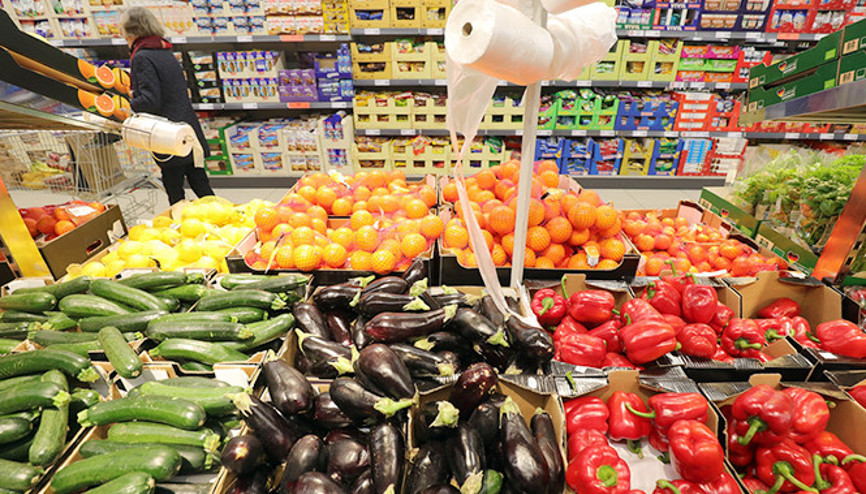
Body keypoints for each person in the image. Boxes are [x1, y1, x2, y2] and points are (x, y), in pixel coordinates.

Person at [120, 7, 215, 205]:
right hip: (186, 129)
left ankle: (182, 221)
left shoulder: (142, 57)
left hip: (168, 135)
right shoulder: (164, 51)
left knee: (175, 190)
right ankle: (224, 218)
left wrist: (125, 105)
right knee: (201, 184)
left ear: (130, 31)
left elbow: (150, 101)